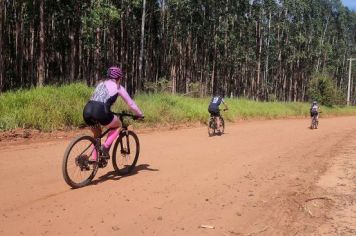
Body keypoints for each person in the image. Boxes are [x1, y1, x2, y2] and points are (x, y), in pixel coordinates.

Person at [83, 66, 143, 160]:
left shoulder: (101, 84)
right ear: (119, 78)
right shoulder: (118, 87)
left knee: (97, 135)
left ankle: (94, 160)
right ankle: (105, 147)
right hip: (101, 110)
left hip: (87, 109)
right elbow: (131, 104)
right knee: (118, 125)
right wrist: (140, 114)